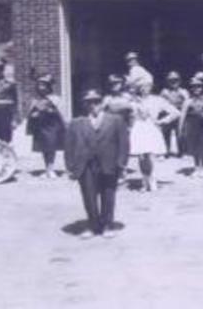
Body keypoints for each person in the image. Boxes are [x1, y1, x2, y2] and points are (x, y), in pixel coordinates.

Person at [64, 89, 129, 239]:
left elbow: (123, 143)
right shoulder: (76, 123)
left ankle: (107, 225)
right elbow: (69, 146)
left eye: (96, 101)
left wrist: (122, 163)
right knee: (89, 195)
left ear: (102, 103)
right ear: (84, 105)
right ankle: (93, 225)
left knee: (108, 195)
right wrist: (70, 166)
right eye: (89, 102)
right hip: (86, 165)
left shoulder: (115, 120)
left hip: (109, 163)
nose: (93, 105)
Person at [129, 85, 178, 192]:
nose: (144, 88)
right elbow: (128, 115)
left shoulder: (157, 100)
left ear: (150, 87)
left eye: (146, 86)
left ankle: (152, 180)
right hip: (138, 128)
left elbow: (175, 112)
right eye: (141, 86)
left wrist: (162, 121)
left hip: (151, 128)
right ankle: (144, 181)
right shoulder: (133, 101)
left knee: (150, 155)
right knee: (141, 156)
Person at [26, 74, 65, 178]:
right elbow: (31, 113)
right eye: (39, 85)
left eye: (44, 85)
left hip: (52, 126)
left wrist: (50, 111)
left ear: (49, 87)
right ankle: (46, 168)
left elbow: (60, 112)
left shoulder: (55, 99)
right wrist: (33, 115)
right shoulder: (36, 100)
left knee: (51, 147)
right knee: (43, 147)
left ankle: (51, 168)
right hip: (40, 127)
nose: (41, 88)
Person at [159, 71, 189, 157]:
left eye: (176, 80)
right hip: (168, 115)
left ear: (179, 81)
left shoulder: (183, 91)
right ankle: (165, 151)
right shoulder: (164, 92)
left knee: (181, 134)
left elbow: (187, 103)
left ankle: (182, 151)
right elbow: (160, 104)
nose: (174, 82)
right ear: (168, 81)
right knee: (165, 134)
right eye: (171, 80)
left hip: (179, 114)